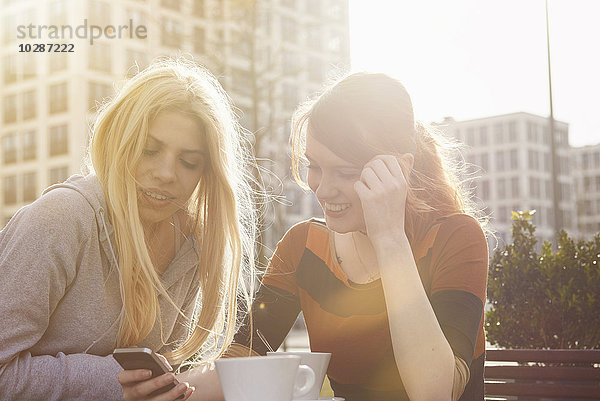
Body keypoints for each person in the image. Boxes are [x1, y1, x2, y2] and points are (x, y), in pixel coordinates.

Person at [122, 72, 488, 401]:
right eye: (314, 166)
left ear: (399, 169)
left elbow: (436, 392)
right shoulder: (303, 246)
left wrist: (390, 238)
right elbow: (242, 359)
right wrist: (170, 390)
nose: (323, 189)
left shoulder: (456, 238)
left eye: (345, 172)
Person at [0, 58, 257, 401]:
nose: (166, 173)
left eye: (189, 161)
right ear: (119, 142)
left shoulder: (192, 245)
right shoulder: (60, 219)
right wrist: (115, 381)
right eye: (149, 150)